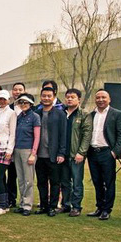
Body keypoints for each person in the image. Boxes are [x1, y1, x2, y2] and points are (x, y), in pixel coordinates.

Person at [86, 89, 121, 221]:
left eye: (103, 97)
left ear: (109, 99)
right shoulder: (91, 115)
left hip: (107, 152)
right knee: (97, 182)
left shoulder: (117, 114)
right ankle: (99, 207)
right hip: (93, 152)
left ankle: (107, 209)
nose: (100, 100)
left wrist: (115, 151)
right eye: (98, 97)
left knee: (109, 182)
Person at [33, 87, 67, 217]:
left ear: (54, 97)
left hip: (53, 155)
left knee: (54, 182)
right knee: (41, 182)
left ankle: (52, 207)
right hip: (39, 155)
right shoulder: (37, 113)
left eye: (49, 96)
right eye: (44, 96)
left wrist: (61, 153)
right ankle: (43, 205)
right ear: (40, 97)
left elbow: (63, 135)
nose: (46, 98)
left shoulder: (60, 114)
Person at [60, 88, 91, 217]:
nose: (69, 99)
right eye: (68, 97)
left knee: (77, 182)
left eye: (72, 97)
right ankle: (65, 205)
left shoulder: (84, 114)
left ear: (79, 99)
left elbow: (87, 135)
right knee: (65, 182)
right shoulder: (61, 113)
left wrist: (81, 152)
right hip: (63, 154)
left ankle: (76, 206)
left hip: (76, 154)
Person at [12, 93, 41, 216]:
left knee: (28, 180)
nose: (23, 104)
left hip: (28, 150)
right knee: (21, 179)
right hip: (17, 150)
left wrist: (33, 153)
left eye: (25, 102)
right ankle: (22, 203)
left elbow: (37, 137)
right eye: (21, 102)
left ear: (30, 104)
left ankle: (28, 206)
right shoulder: (19, 116)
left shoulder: (35, 117)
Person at [0, 90, 16, 215]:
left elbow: (13, 133)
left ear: (8, 100)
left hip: (6, 149)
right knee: (2, 177)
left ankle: (2, 205)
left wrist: (10, 150)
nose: (2, 101)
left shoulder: (12, 113)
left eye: (4, 99)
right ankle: (4, 204)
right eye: (0, 99)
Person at [6, 82, 27, 209]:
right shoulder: (8, 108)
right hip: (9, 146)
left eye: (20, 89)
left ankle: (25, 201)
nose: (17, 92)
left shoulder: (29, 108)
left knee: (25, 176)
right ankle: (11, 199)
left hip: (24, 146)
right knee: (11, 175)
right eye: (15, 89)